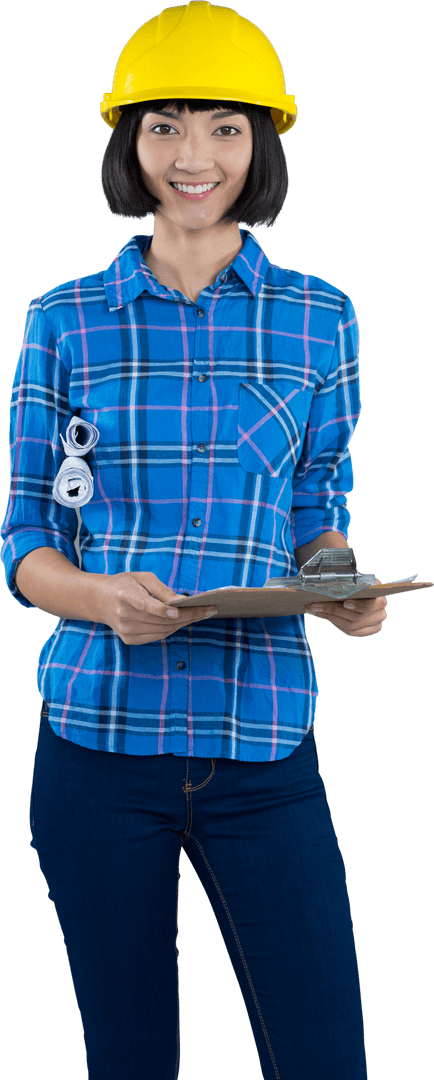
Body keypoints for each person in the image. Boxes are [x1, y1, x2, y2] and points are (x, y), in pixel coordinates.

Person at [0, 3, 388, 1078]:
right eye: (164, 124)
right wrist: (94, 597)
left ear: (261, 141)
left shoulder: (322, 318)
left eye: (223, 125)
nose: (192, 155)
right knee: (129, 1062)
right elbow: (24, 527)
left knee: (324, 1059)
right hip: (94, 744)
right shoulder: (64, 317)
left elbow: (315, 501)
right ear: (127, 139)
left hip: (263, 745)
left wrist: (340, 585)